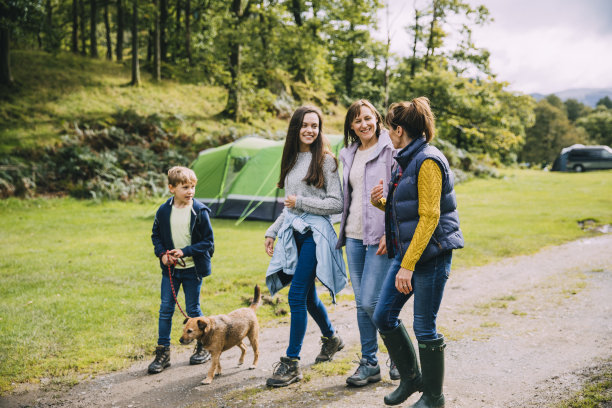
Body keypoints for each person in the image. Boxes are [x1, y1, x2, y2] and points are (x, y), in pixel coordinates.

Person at [370, 97, 464, 407]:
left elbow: (430, 216)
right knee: (384, 315)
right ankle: (412, 379)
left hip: (431, 256)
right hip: (409, 254)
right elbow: (408, 211)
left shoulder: (427, 161)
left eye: (388, 128)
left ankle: (434, 397)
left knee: (424, 326)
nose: (386, 134)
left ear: (399, 130)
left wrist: (407, 265)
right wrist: (380, 203)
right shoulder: (407, 158)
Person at [264, 106, 347, 388]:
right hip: (293, 234)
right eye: (305, 125)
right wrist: (272, 231)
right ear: (295, 128)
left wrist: (301, 202)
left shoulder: (326, 161)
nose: (310, 130)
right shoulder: (290, 160)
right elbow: (289, 207)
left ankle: (291, 362)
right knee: (309, 297)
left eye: (315, 125)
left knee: (296, 296)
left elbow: (337, 204)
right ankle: (332, 339)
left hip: (316, 235)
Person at [336, 99, 398, 386]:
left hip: (380, 237)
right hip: (353, 236)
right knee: (362, 304)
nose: (364, 124)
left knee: (374, 302)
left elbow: (399, 194)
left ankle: (399, 356)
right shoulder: (348, 153)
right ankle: (369, 363)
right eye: (357, 120)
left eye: (368, 118)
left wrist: (390, 230)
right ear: (351, 125)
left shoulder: (390, 149)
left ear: (377, 119)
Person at [148, 166, 215, 374]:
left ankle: (203, 347)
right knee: (165, 309)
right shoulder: (163, 210)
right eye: (185, 187)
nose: (190, 191)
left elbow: (208, 242)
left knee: (193, 310)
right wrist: (163, 254)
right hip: (170, 271)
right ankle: (163, 353)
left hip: (192, 270)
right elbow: (155, 236)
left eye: (193, 187)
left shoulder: (200, 211)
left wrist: (185, 251)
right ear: (171, 188)